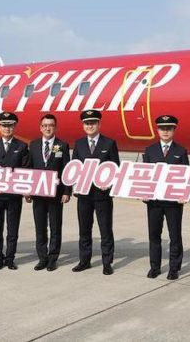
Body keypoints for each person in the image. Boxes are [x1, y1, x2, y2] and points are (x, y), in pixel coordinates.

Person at [71, 109, 120, 275]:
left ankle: (107, 262)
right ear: (83, 125)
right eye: (87, 123)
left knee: (105, 229)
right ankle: (84, 261)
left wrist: (111, 184)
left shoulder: (109, 143)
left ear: (99, 124)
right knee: (84, 229)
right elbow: (74, 167)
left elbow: (115, 167)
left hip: (102, 195)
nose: (90, 126)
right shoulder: (79, 144)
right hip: (84, 195)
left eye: (93, 123)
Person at [142, 115, 189, 280]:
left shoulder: (181, 151)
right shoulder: (149, 150)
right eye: (162, 128)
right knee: (154, 235)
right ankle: (154, 267)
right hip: (154, 202)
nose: (166, 131)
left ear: (174, 130)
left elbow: (186, 176)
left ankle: (174, 268)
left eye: (169, 128)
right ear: (157, 130)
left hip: (173, 202)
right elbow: (145, 175)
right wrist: (143, 193)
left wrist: (184, 194)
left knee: (174, 235)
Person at [25, 114, 72, 272]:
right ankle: (42, 258)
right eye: (44, 125)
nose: (47, 128)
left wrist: (67, 191)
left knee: (55, 227)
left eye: (51, 125)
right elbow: (29, 168)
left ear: (55, 127)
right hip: (38, 194)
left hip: (56, 195)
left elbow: (67, 170)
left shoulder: (62, 145)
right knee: (40, 227)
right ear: (40, 127)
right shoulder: (34, 144)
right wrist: (27, 190)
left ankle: (53, 258)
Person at [0, 112, 29, 270]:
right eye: (4, 125)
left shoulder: (22, 146)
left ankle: (10, 258)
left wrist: (26, 190)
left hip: (14, 196)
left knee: (13, 229)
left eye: (10, 125)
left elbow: (25, 170)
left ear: (14, 127)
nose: (7, 128)